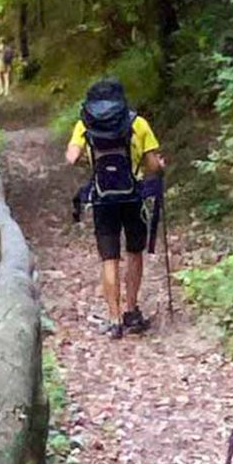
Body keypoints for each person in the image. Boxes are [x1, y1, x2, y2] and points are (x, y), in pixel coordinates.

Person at [66, 78, 163, 339]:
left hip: (102, 199)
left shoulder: (85, 124)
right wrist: (158, 165)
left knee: (109, 258)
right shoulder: (137, 123)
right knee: (134, 253)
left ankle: (114, 318)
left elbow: (71, 158)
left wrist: (93, 159)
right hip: (133, 197)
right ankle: (132, 310)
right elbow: (153, 166)